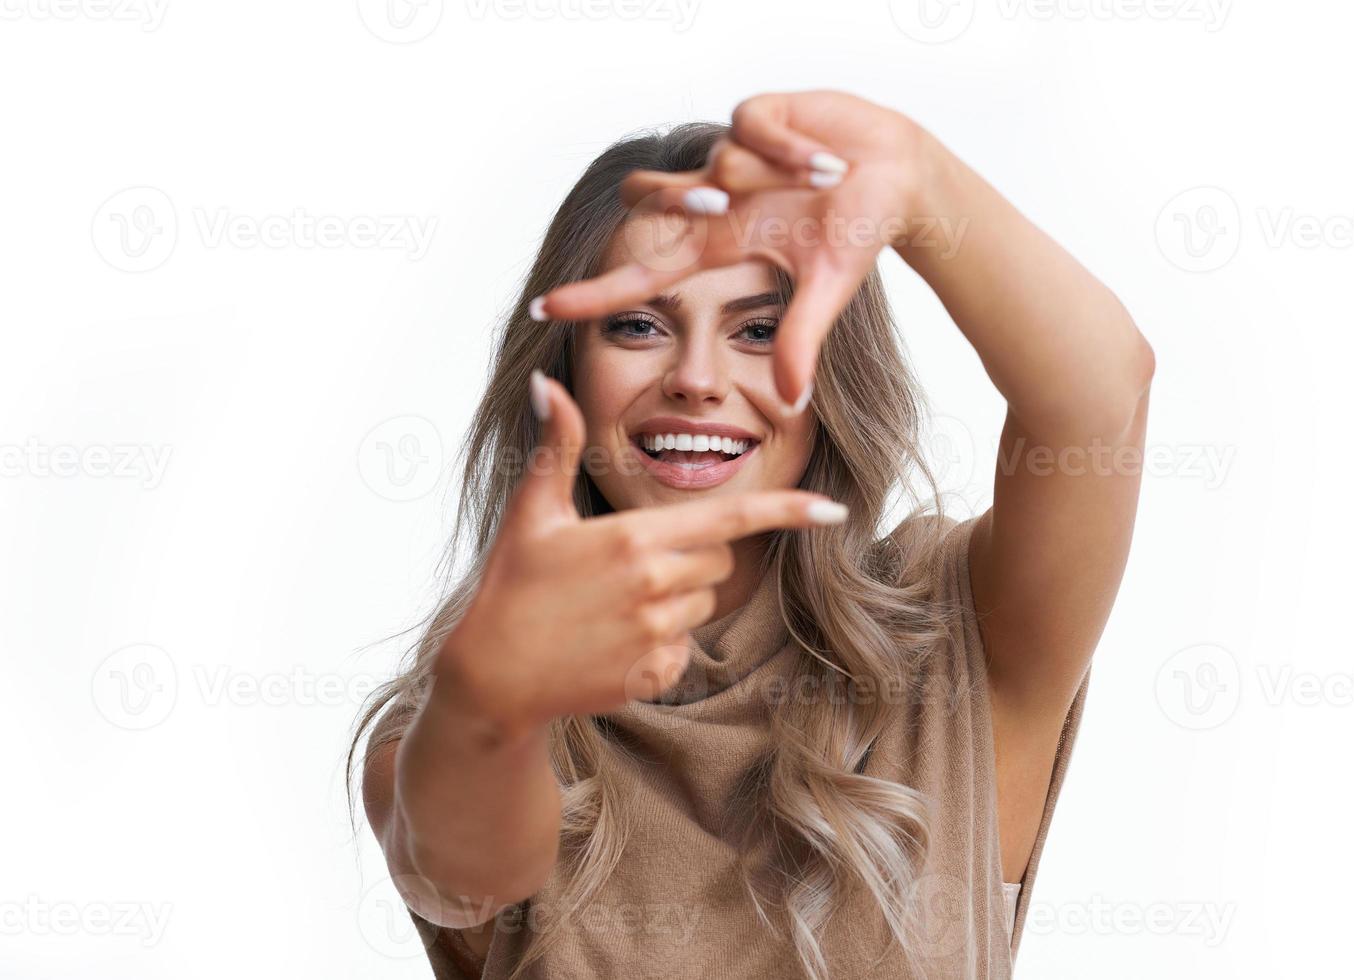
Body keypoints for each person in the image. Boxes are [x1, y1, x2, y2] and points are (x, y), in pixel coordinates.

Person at [347, 89, 1154, 979]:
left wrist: (923, 185)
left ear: (831, 373)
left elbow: (1100, 396)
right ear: (565, 373)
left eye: (759, 329)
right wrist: (485, 702)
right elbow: (459, 876)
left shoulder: (955, 641)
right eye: (640, 325)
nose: (697, 377)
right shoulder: (460, 720)